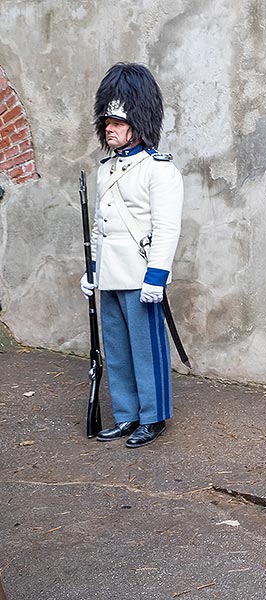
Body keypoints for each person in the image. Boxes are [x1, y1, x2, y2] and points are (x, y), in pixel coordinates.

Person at [79, 63, 184, 448]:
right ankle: (126, 416)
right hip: (110, 273)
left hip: (141, 275)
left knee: (146, 350)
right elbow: (99, 227)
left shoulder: (159, 171)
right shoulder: (105, 169)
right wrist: (92, 271)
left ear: (138, 125)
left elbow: (167, 228)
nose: (109, 127)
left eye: (118, 122)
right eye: (106, 120)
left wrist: (156, 277)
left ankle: (152, 417)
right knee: (118, 350)